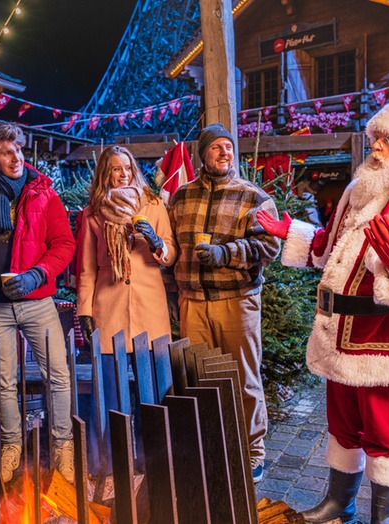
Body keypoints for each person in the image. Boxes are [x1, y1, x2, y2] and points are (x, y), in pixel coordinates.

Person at [257, 101, 389, 524]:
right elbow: (332, 248)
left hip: (383, 339)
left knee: (385, 431)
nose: (377, 149)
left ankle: (382, 518)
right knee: (343, 423)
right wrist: (293, 232)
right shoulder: (358, 192)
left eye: (388, 142)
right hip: (338, 333)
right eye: (375, 139)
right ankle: (340, 504)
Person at [0, 123, 76, 484]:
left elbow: (64, 243)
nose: (17, 158)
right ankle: (12, 444)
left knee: (58, 375)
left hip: (38, 300)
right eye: (7, 152)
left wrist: (37, 275)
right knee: (4, 381)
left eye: (19, 150)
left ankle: (64, 447)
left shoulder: (42, 191)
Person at [168, 122, 281, 483]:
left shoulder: (254, 197)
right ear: (203, 154)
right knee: (199, 378)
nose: (224, 153)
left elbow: (269, 247)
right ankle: (210, 445)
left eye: (228, 147)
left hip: (237, 301)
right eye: (216, 147)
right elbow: (170, 247)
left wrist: (225, 253)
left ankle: (253, 452)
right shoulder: (181, 196)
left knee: (244, 378)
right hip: (193, 302)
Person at [77, 146, 178, 353]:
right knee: (112, 380)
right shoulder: (92, 213)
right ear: (105, 174)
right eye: (116, 169)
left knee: (152, 379)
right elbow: (87, 269)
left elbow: (171, 255)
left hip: (149, 305)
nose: (124, 174)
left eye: (128, 168)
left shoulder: (153, 204)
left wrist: (156, 241)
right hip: (109, 307)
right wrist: (84, 312)